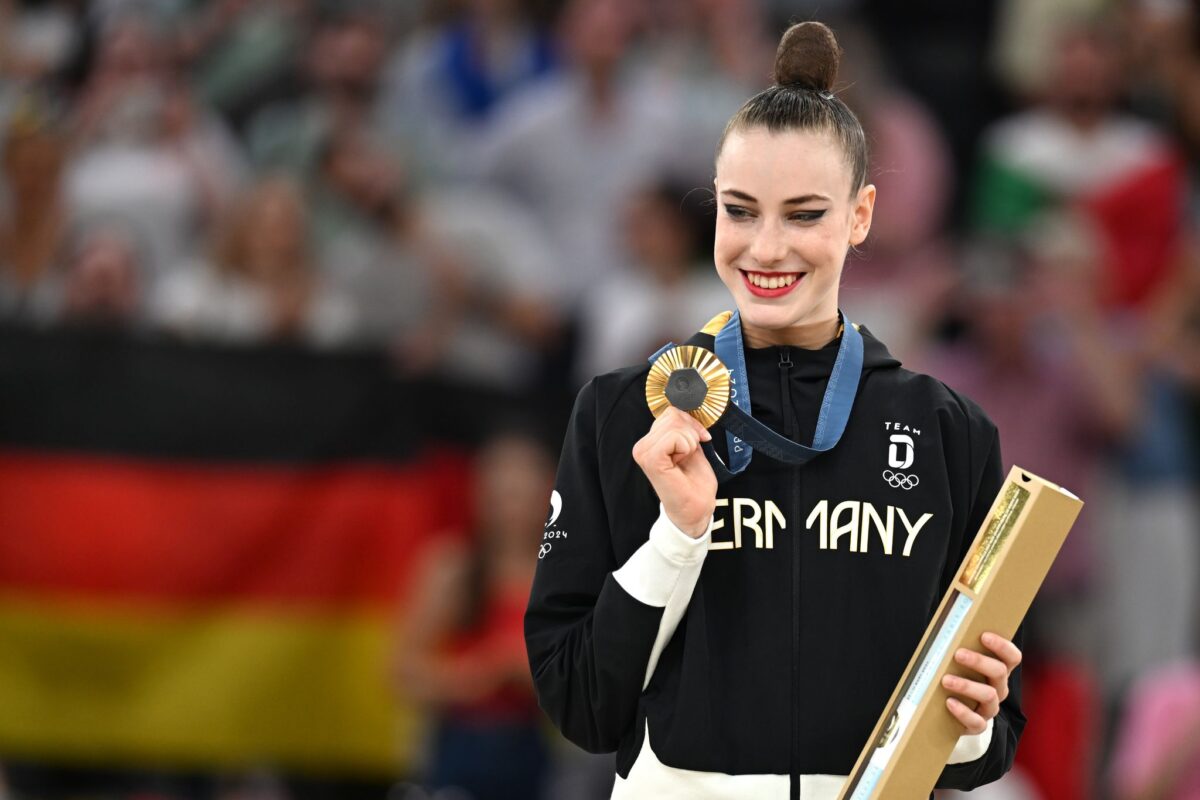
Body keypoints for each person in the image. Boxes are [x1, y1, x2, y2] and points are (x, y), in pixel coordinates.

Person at [524, 21, 1025, 798]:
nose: (765, 248)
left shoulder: (946, 432)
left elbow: (989, 745)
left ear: (859, 217)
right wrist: (677, 537)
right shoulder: (624, 412)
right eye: (740, 210)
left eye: (804, 214)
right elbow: (580, 703)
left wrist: (975, 718)